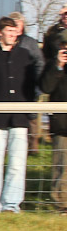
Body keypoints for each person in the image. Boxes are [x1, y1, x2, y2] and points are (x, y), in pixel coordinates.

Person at [0, 17, 36, 213]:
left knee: (17, 165)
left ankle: (11, 204)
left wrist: (30, 114)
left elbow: (31, 88)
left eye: (14, 31)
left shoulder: (25, 56)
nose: (11, 35)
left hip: (19, 119)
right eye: (8, 31)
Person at [8, 11, 45, 155]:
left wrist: (38, 84)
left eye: (18, 24)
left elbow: (39, 62)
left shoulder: (30, 42)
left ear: (22, 25)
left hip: (28, 84)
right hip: (12, 86)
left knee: (31, 116)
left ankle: (33, 147)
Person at [39, 31, 67, 215]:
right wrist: (58, 66)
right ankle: (62, 204)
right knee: (62, 166)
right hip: (62, 125)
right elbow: (45, 88)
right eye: (64, 46)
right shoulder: (53, 65)